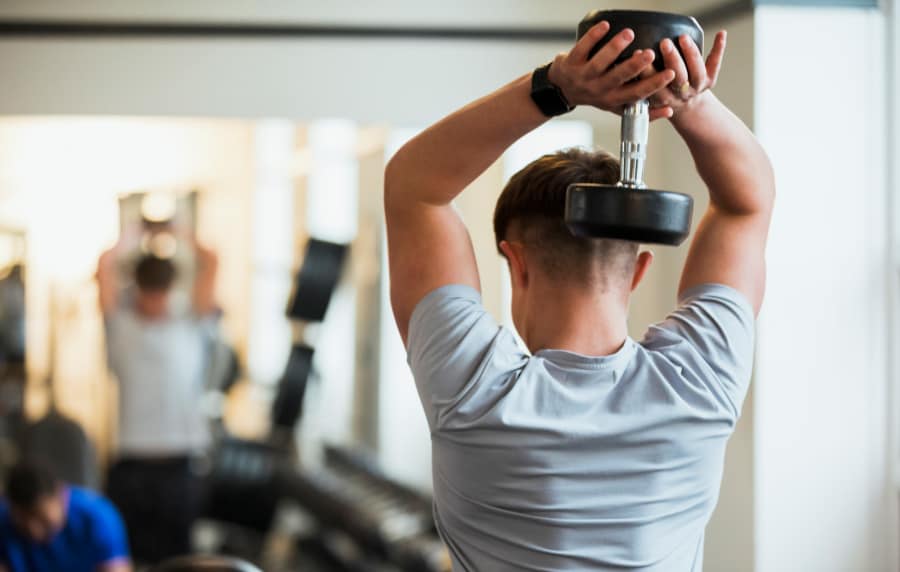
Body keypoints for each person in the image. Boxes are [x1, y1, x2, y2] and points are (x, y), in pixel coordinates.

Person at [384, 20, 773, 572]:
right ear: (639, 271)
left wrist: (558, 86)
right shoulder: (699, 387)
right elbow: (747, 202)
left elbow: (412, 187)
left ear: (515, 263)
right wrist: (684, 97)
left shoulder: (471, 392)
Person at [96, 231, 219, 564]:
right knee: (130, 556)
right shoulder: (121, 328)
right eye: (149, 293)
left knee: (179, 559)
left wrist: (176, 231)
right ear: (138, 289)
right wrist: (135, 233)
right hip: (131, 463)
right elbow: (104, 266)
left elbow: (212, 261)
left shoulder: (191, 326)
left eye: (160, 294)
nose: (155, 301)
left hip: (180, 463)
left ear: (170, 290)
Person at [0, 460, 131, 572]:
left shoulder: (99, 517)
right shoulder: (3, 518)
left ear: (60, 495)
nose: (34, 531)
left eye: (42, 518)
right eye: (23, 520)